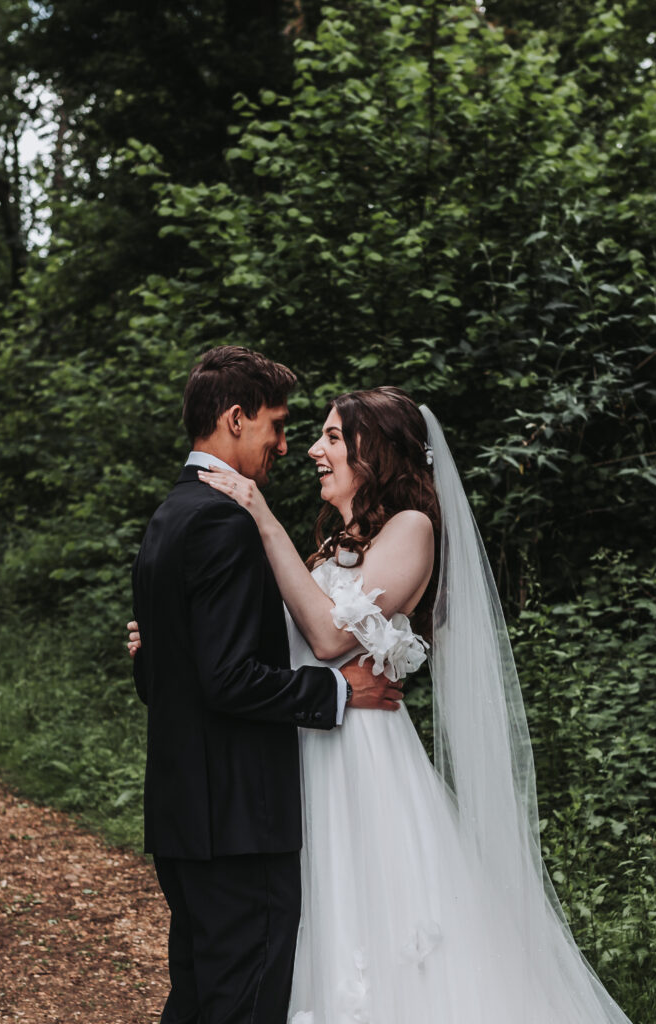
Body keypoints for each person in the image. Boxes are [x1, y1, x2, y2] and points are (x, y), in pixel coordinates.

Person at [187, 385, 635, 1024]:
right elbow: (278, 643)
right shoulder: (332, 544)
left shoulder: (412, 529)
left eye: (334, 437)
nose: (314, 449)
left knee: (378, 926)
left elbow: (328, 636)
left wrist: (261, 515)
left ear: (380, 452)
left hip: (361, 761)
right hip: (309, 745)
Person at [129, 348, 402, 1024]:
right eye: (276, 426)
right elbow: (228, 680)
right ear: (234, 418)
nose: (286, 443)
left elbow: (163, 677)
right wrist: (339, 694)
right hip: (237, 820)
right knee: (243, 1003)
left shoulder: (171, 514)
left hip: (186, 813)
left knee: (198, 997)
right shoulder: (224, 521)